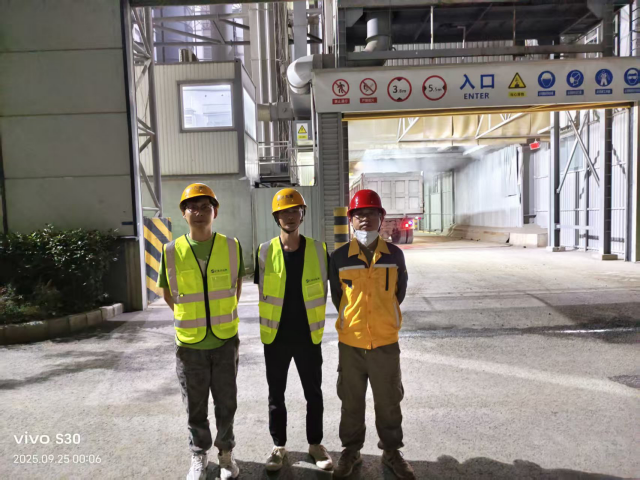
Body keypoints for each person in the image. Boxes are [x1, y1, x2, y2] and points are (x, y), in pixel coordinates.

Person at [157, 183, 244, 480]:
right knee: (195, 406)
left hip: (224, 341)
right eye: (192, 207)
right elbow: (167, 293)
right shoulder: (171, 251)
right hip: (190, 345)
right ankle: (198, 455)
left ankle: (226, 455)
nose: (199, 212)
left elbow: (236, 288)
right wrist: (190, 318)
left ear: (215, 212)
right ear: (183, 213)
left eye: (205, 206)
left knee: (226, 404)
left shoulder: (231, 246)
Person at [329, 189, 415, 479]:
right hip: (351, 344)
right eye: (359, 214)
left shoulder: (395, 255)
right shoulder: (339, 257)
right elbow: (338, 297)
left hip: (385, 343)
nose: (365, 218)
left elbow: (399, 293)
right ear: (351, 220)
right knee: (351, 402)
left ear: (381, 218)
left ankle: (391, 452)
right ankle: (351, 451)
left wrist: (382, 317)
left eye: (371, 213)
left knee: (389, 402)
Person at [254, 188, 333, 472]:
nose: (290, 216)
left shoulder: (319, 250)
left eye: (295, 211)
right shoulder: (264, 251)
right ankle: (279, 446)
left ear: (302, 214)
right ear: (276, 217)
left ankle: (315, 444)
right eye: (284, 212)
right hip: (275, 337)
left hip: (308, 336)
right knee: (276, 395)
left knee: (314, 394)